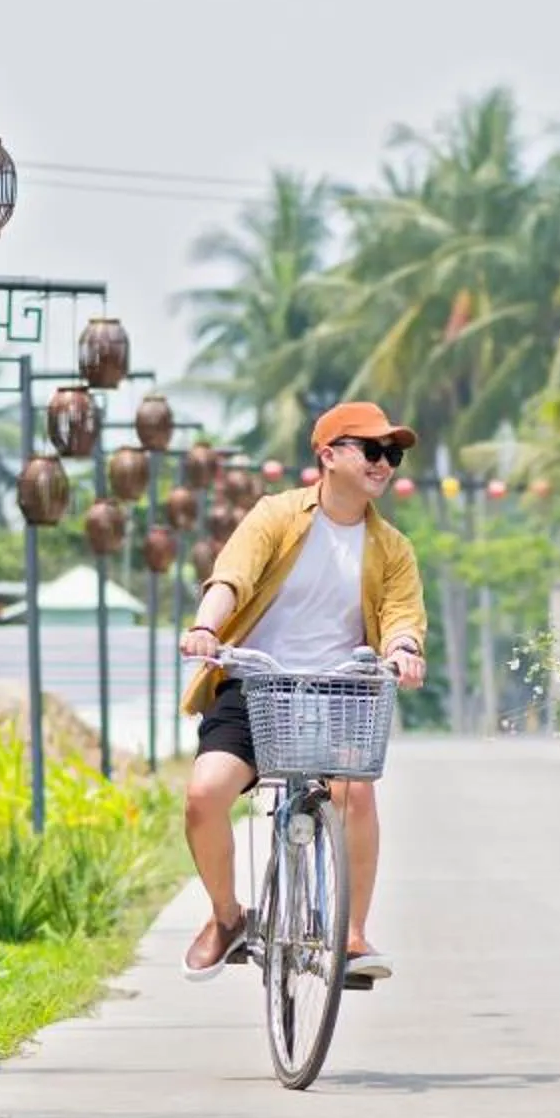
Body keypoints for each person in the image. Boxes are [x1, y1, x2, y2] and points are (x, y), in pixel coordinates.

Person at [176, 402, 430, 982]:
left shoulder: (392, 548)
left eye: (392, 454)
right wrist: (206, 628)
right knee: (204, 797)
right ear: (328, 455)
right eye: (371, 450)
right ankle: (227, 918)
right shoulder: (277, 515)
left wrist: (404, 652)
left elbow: (402, 618)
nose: (383, 464)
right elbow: (231, 578)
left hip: (338, 694)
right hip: (256, 684)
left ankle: (354, 936)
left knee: (355, 796)